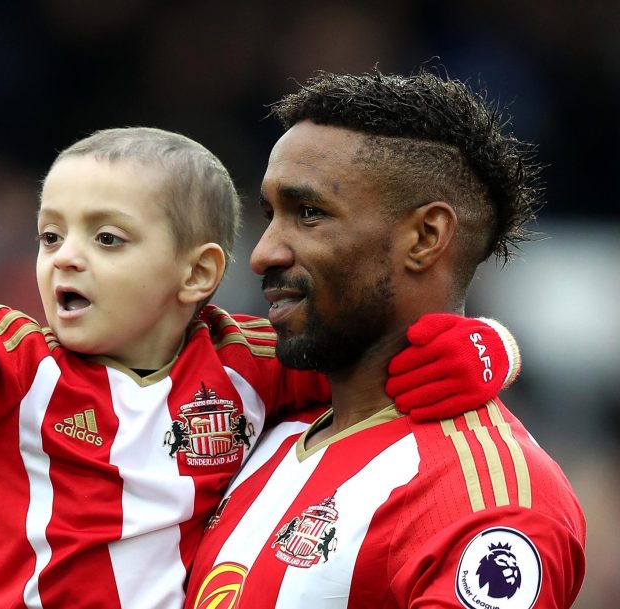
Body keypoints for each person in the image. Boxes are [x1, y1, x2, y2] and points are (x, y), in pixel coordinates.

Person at [0, 127, 519, 609]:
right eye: (51, 235)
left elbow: (380, 355)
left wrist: (493, 349)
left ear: (197, 274)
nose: (66, 261)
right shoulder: (18, 365)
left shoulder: (250, 361)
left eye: (108, 238)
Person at [184, 69, 585, 609]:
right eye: (270, 215)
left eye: (309, 214)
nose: (263, 253)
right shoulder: (257, 419)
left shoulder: (492, 500)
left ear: (425, 237)